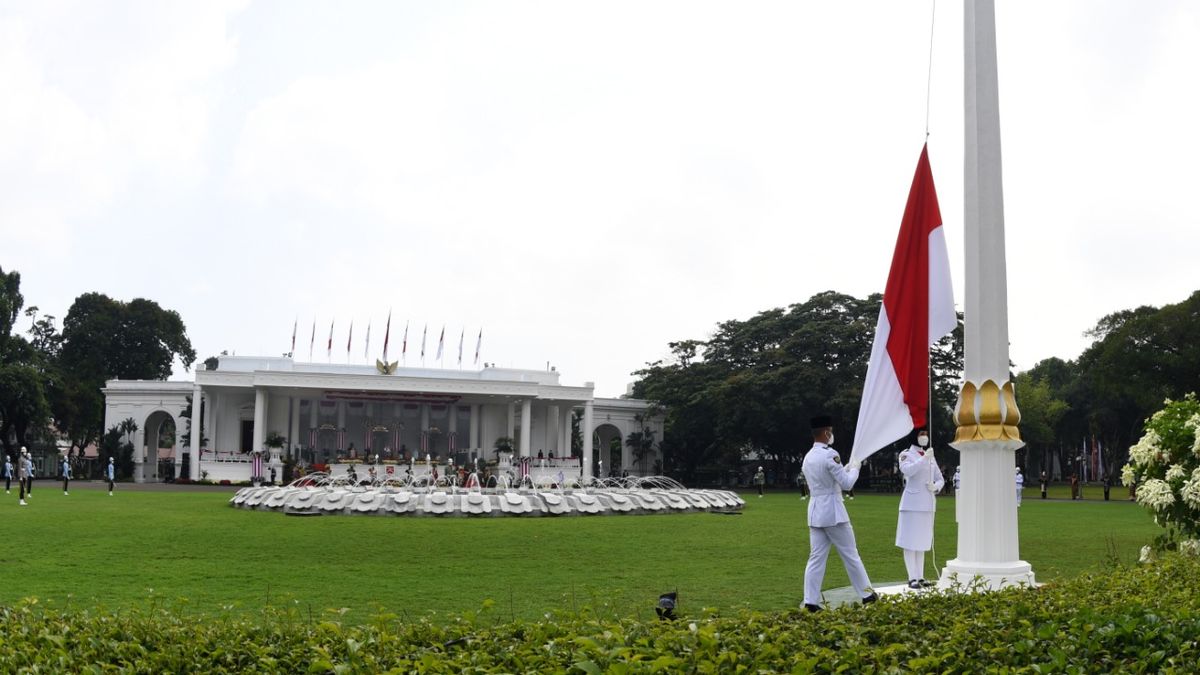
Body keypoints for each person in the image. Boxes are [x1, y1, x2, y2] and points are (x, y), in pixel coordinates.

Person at [801, 414, 876, 611]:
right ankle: (867, 594)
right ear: (826, 433)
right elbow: (847, 483)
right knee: (851, 555)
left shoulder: (809, 456)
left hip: (816, 510)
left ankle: (810, 600)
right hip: (833, 511)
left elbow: (829, 477)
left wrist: (847, 467)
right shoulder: (829, 454)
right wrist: (856, 468)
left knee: (816, 558)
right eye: (831, 432)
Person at [896, 428, 944, 589]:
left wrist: (935, 486)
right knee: (910, 542)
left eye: (925, 434)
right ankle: (912, 578)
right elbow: (908, 470)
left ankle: (921, 577)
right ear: (914, 436)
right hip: (911, 504)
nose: (925, 437)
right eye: (921, 434)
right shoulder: (906, 454)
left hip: (928, 503)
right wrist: (924, 459)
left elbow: (940, 478)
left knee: (922, 541)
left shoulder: (929, 454)